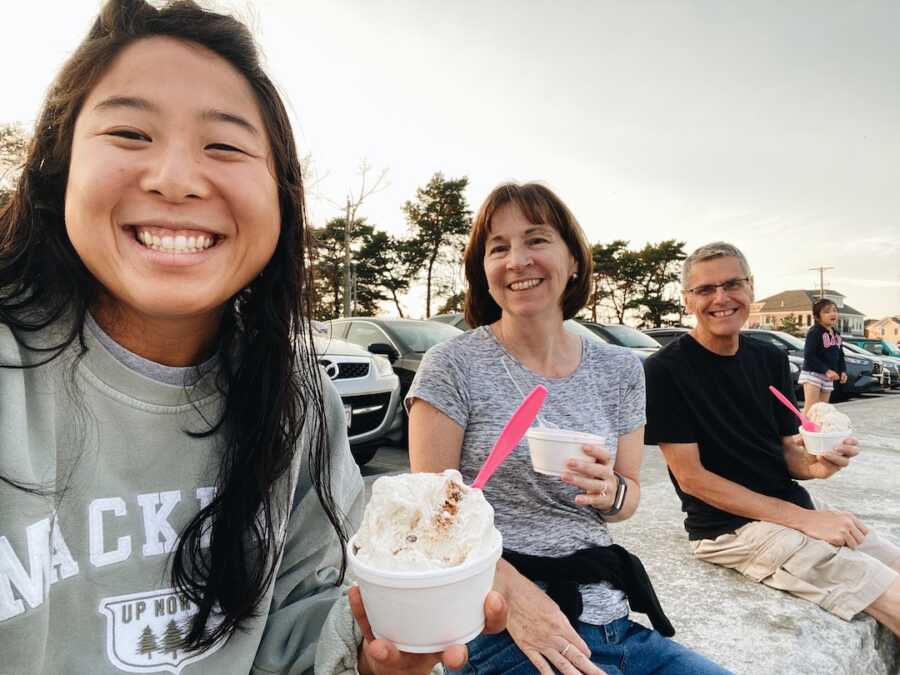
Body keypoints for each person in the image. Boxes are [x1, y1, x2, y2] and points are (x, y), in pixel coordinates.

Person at [0, 2, 504, 673]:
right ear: (58, 169)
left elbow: (308, 618)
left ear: (281, 198)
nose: (175, 178)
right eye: (129, 132)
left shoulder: (298, 403)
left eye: (226, 146)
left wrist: (368, 656)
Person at [406, 183, 729, 675]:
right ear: (484, 271)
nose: (517, 260)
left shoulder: (620, 370)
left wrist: (610, 491)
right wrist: (516, 601)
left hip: (613, 617)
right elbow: (432, 517)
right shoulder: (452, 365)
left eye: (536, 240)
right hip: (499, 625)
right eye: (498, 247)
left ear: (573, 259)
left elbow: (629, 497)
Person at [644, 242, 900, 638]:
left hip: (787, 507)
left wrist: (816, 464)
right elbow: (691, 478)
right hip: (729, 530)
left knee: (894, 562)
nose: (721, 298)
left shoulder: (769, 358)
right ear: (687, 300)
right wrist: (806, 519)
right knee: (892, 594)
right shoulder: (664, 370)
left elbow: (786, 452)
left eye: (732, 284)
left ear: (751, 287)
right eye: (705, 290)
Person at [798, 297, 847, 416]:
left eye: (835, 310)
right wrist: (826, 370)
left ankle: (817, 433)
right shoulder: (815, 332)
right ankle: (802, 432)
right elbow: (809, 355)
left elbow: (840, 354)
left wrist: (843, 371)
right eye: (827, 311)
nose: (832, 313)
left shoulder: (836, 333)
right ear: (816, 316)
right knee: (811, 408)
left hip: (828, 377)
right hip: (813, 374)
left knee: (822, 410)